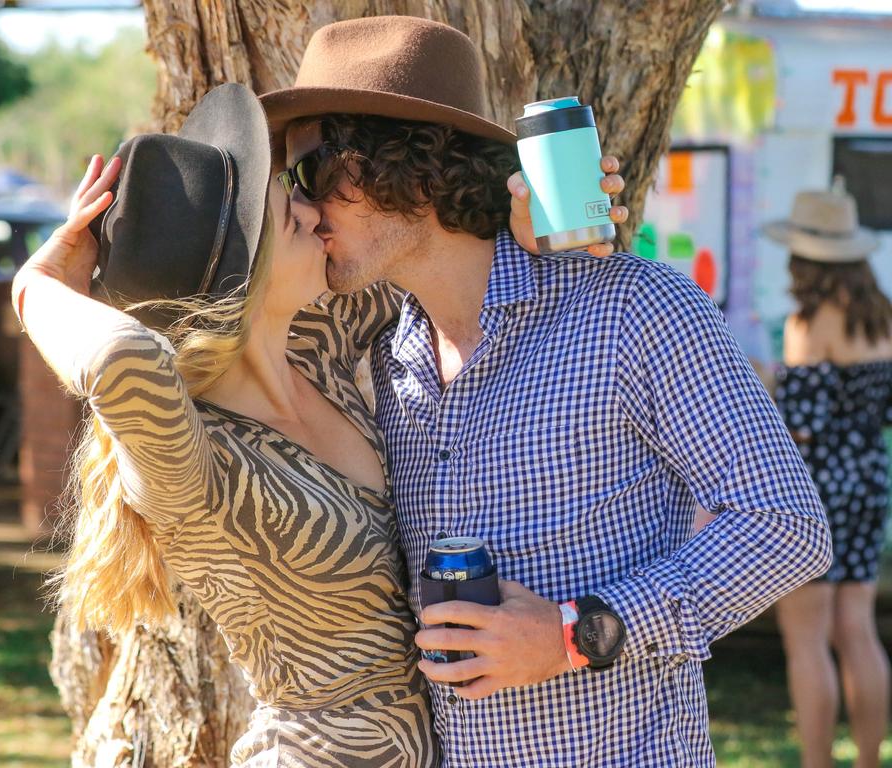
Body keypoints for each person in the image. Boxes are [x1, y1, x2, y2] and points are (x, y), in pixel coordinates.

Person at [261, 15, 833, 766]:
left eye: (311, 170)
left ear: (410, 168)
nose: (301, 205)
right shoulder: (381, 359)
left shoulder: (631, 309)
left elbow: (787, 528)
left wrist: (573, 635)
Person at [13, 83, 624, 767]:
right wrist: (37, 284)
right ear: (242, 281)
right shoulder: (192, 456)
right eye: (287, 207)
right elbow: (127, 358)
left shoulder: (318, 352)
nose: (314, 211)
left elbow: (427, 254)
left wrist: (518, 234)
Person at [770, 180, 891, 768]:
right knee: (858, 630)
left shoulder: (808, 323)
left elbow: (801, 426)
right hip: (872, 476)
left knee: (807, 639)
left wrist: (771, 383)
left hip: (818, 487)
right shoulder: (882, 318)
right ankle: (870, 762)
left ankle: (818, 763)